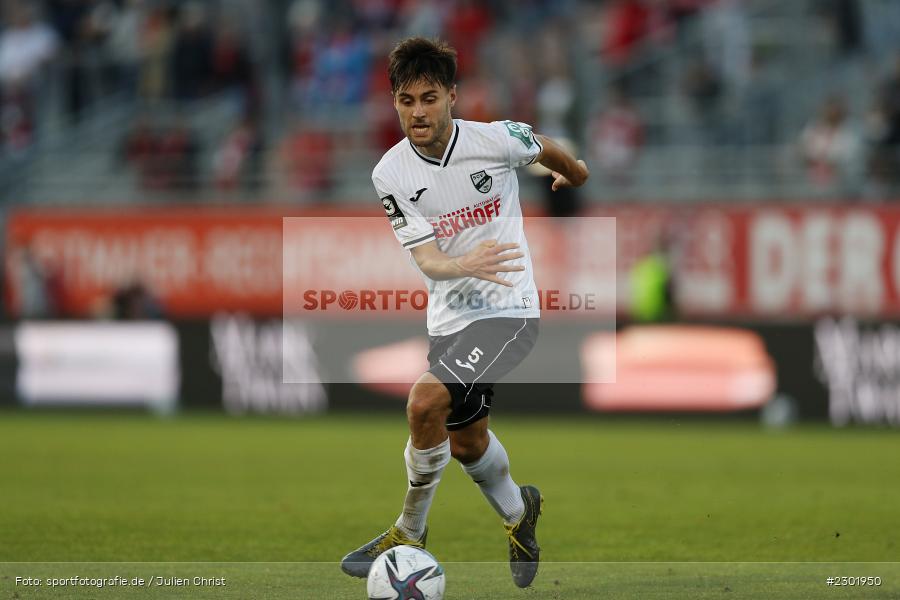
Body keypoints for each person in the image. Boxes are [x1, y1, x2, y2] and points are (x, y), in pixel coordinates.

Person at [340, 37, 589, 589]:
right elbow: (426, 257)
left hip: (510, 312)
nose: (418, 112)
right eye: (406, 101)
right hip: (449, 319)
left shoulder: (496, 138)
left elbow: (547, 147)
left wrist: (574, 173)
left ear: (452, 95)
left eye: (429, 98)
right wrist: (463, 263)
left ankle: (408, 530)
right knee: (465, 442)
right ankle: (518, 513)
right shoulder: (391, 174)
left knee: (424, 401)